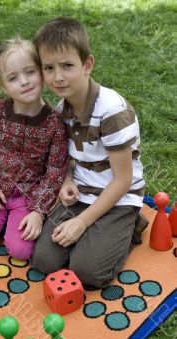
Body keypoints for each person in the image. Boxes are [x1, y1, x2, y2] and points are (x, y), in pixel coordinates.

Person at [32, 17, 148, 287]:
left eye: (67, 66)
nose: (58, 76)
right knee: (43, 262)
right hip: (82, 191)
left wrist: (82, 223)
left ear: (87, 64)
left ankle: (130, 226)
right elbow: (69, 157)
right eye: (49, 68)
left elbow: (123, 180)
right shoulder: (62, 110)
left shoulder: (112, 112)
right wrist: (68, 179)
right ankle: (96, 235)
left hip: (118, 196)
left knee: (88, 273)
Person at [0, 37, 68, 260]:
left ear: (41, 73)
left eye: (30, 72)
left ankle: (12, 223)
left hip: (28, 196)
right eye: (13, 77)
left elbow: (55, 172)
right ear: (3, 85)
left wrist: (38, 211)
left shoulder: (55, 124)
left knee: (22, 251)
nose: (25, 81)